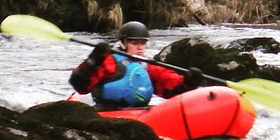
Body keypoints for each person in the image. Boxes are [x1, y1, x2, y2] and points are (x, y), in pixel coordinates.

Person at [69, 21, 204, 108]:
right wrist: (93, 61)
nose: (140, 48)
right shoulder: (108, 60)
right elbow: (80, 86)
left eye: (143, 43)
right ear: (123, 42)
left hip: (138, 112)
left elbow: (168, 84)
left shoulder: (148, 65)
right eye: (134, 43)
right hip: (106, 111)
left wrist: (188, 82)